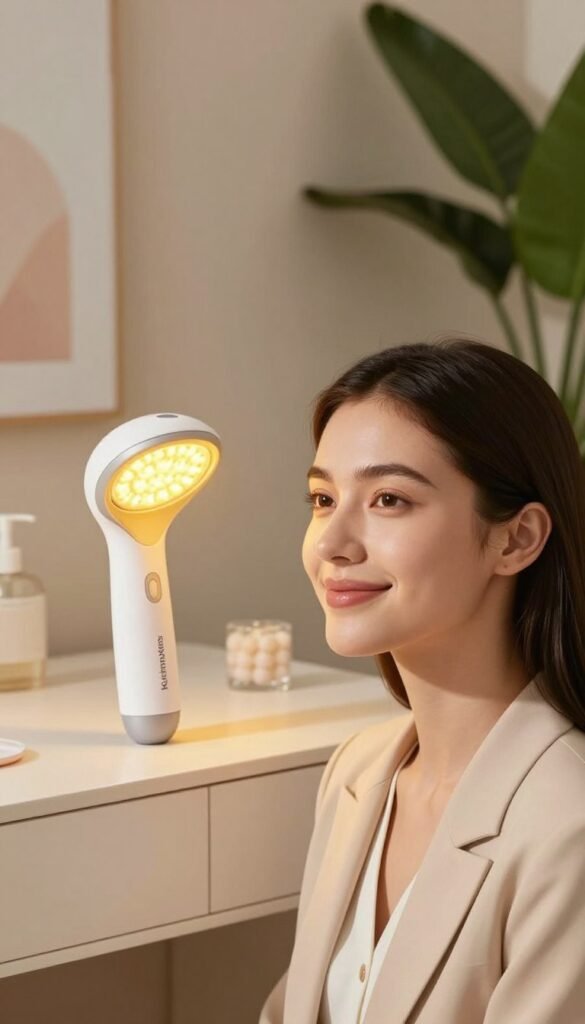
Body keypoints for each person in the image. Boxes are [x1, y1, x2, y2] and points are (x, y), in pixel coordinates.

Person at [258, 335, 585, 1024]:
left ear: (516, 538)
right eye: (322, 498)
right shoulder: (359, 771)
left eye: (388, 500)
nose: (332, 543)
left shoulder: (567, 822)